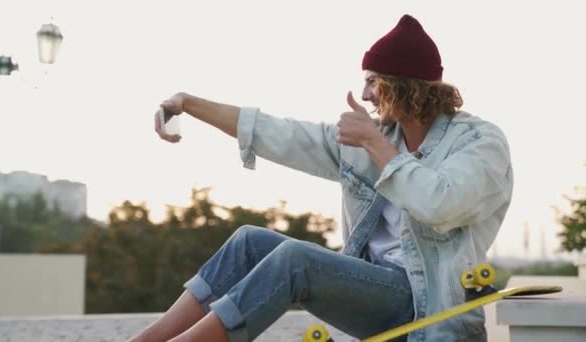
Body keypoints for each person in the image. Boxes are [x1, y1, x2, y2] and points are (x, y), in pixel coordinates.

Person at [131, 14, 513, 342]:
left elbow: (440, 204)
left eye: (373, 81)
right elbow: (279, 133)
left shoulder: (479, 143)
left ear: (404, 85)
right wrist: (188, 102)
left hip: (427, 309)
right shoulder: (377, 137)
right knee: (249, 241)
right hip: (372, 287)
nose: (365, 95)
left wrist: (374, 143)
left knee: (296, 260)